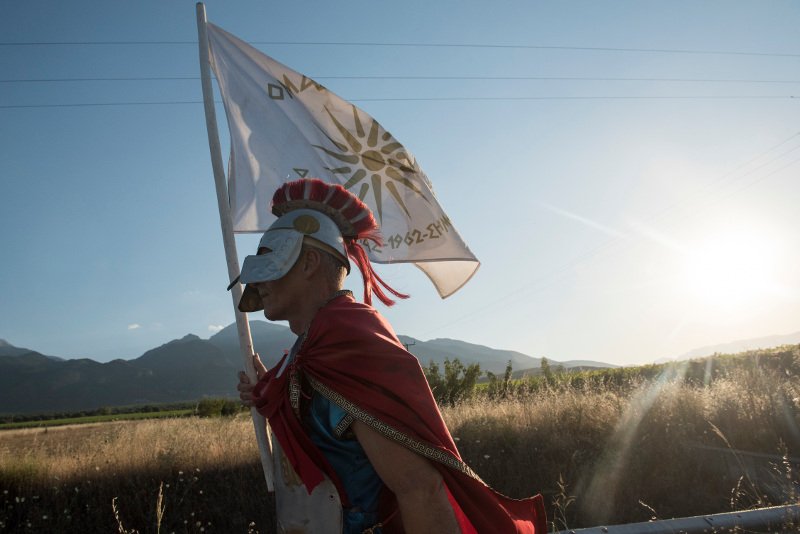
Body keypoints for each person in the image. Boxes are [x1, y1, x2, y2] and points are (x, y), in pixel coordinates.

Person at [235, 178, 546, 533]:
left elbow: (420, 489)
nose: (257, 284)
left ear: (308, 262)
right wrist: (269, 389)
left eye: (269, 260)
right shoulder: (309, 350)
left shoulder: (350, 344)